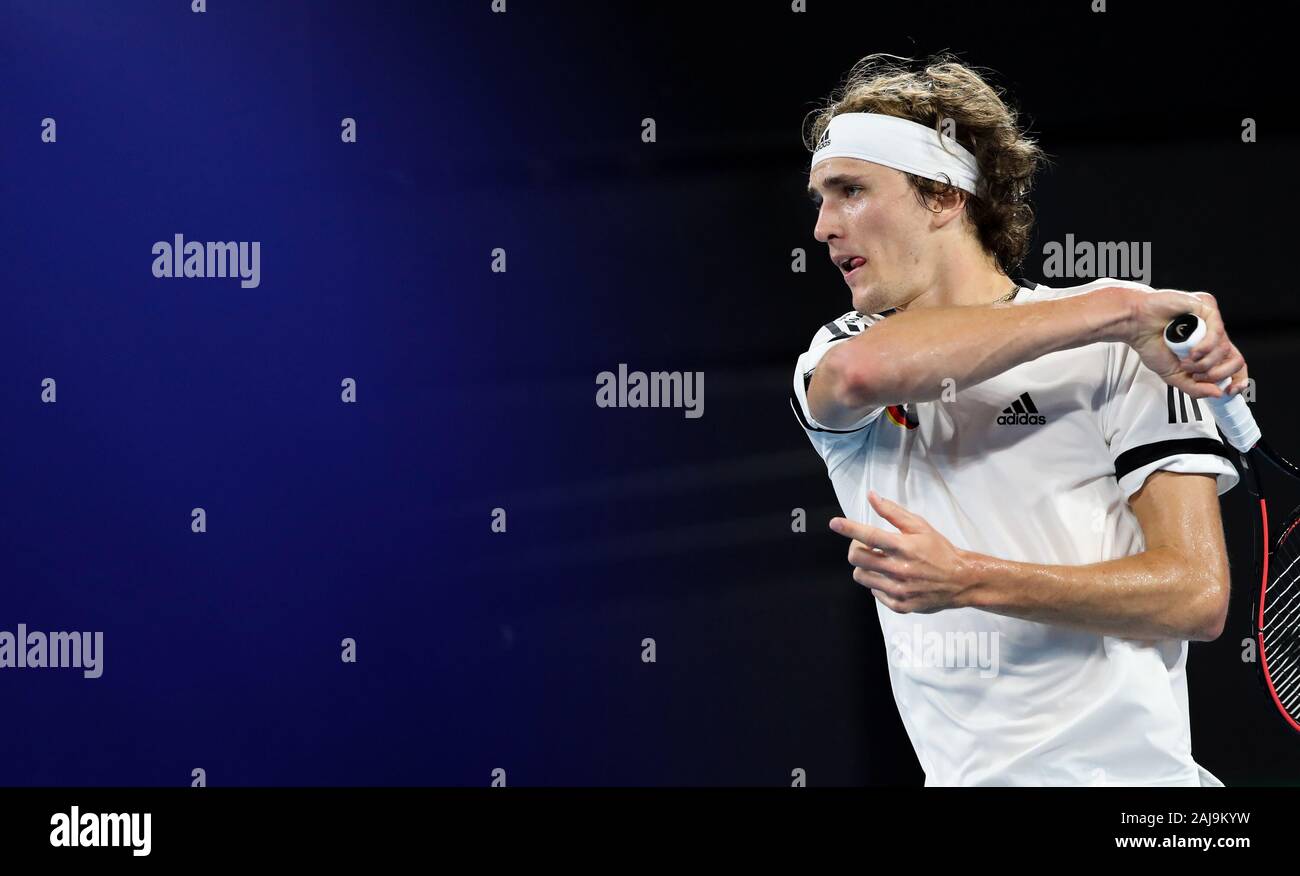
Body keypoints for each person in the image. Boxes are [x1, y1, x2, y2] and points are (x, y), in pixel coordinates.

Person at [791, 53, 1248, 786]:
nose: (821, 226)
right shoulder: (840, 352)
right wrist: (1123, 307)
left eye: (849, 191)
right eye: (820, 198)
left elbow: (1195, 595)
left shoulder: (1126, 350)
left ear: (943, 196)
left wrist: (971, 578)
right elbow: (863, 373)